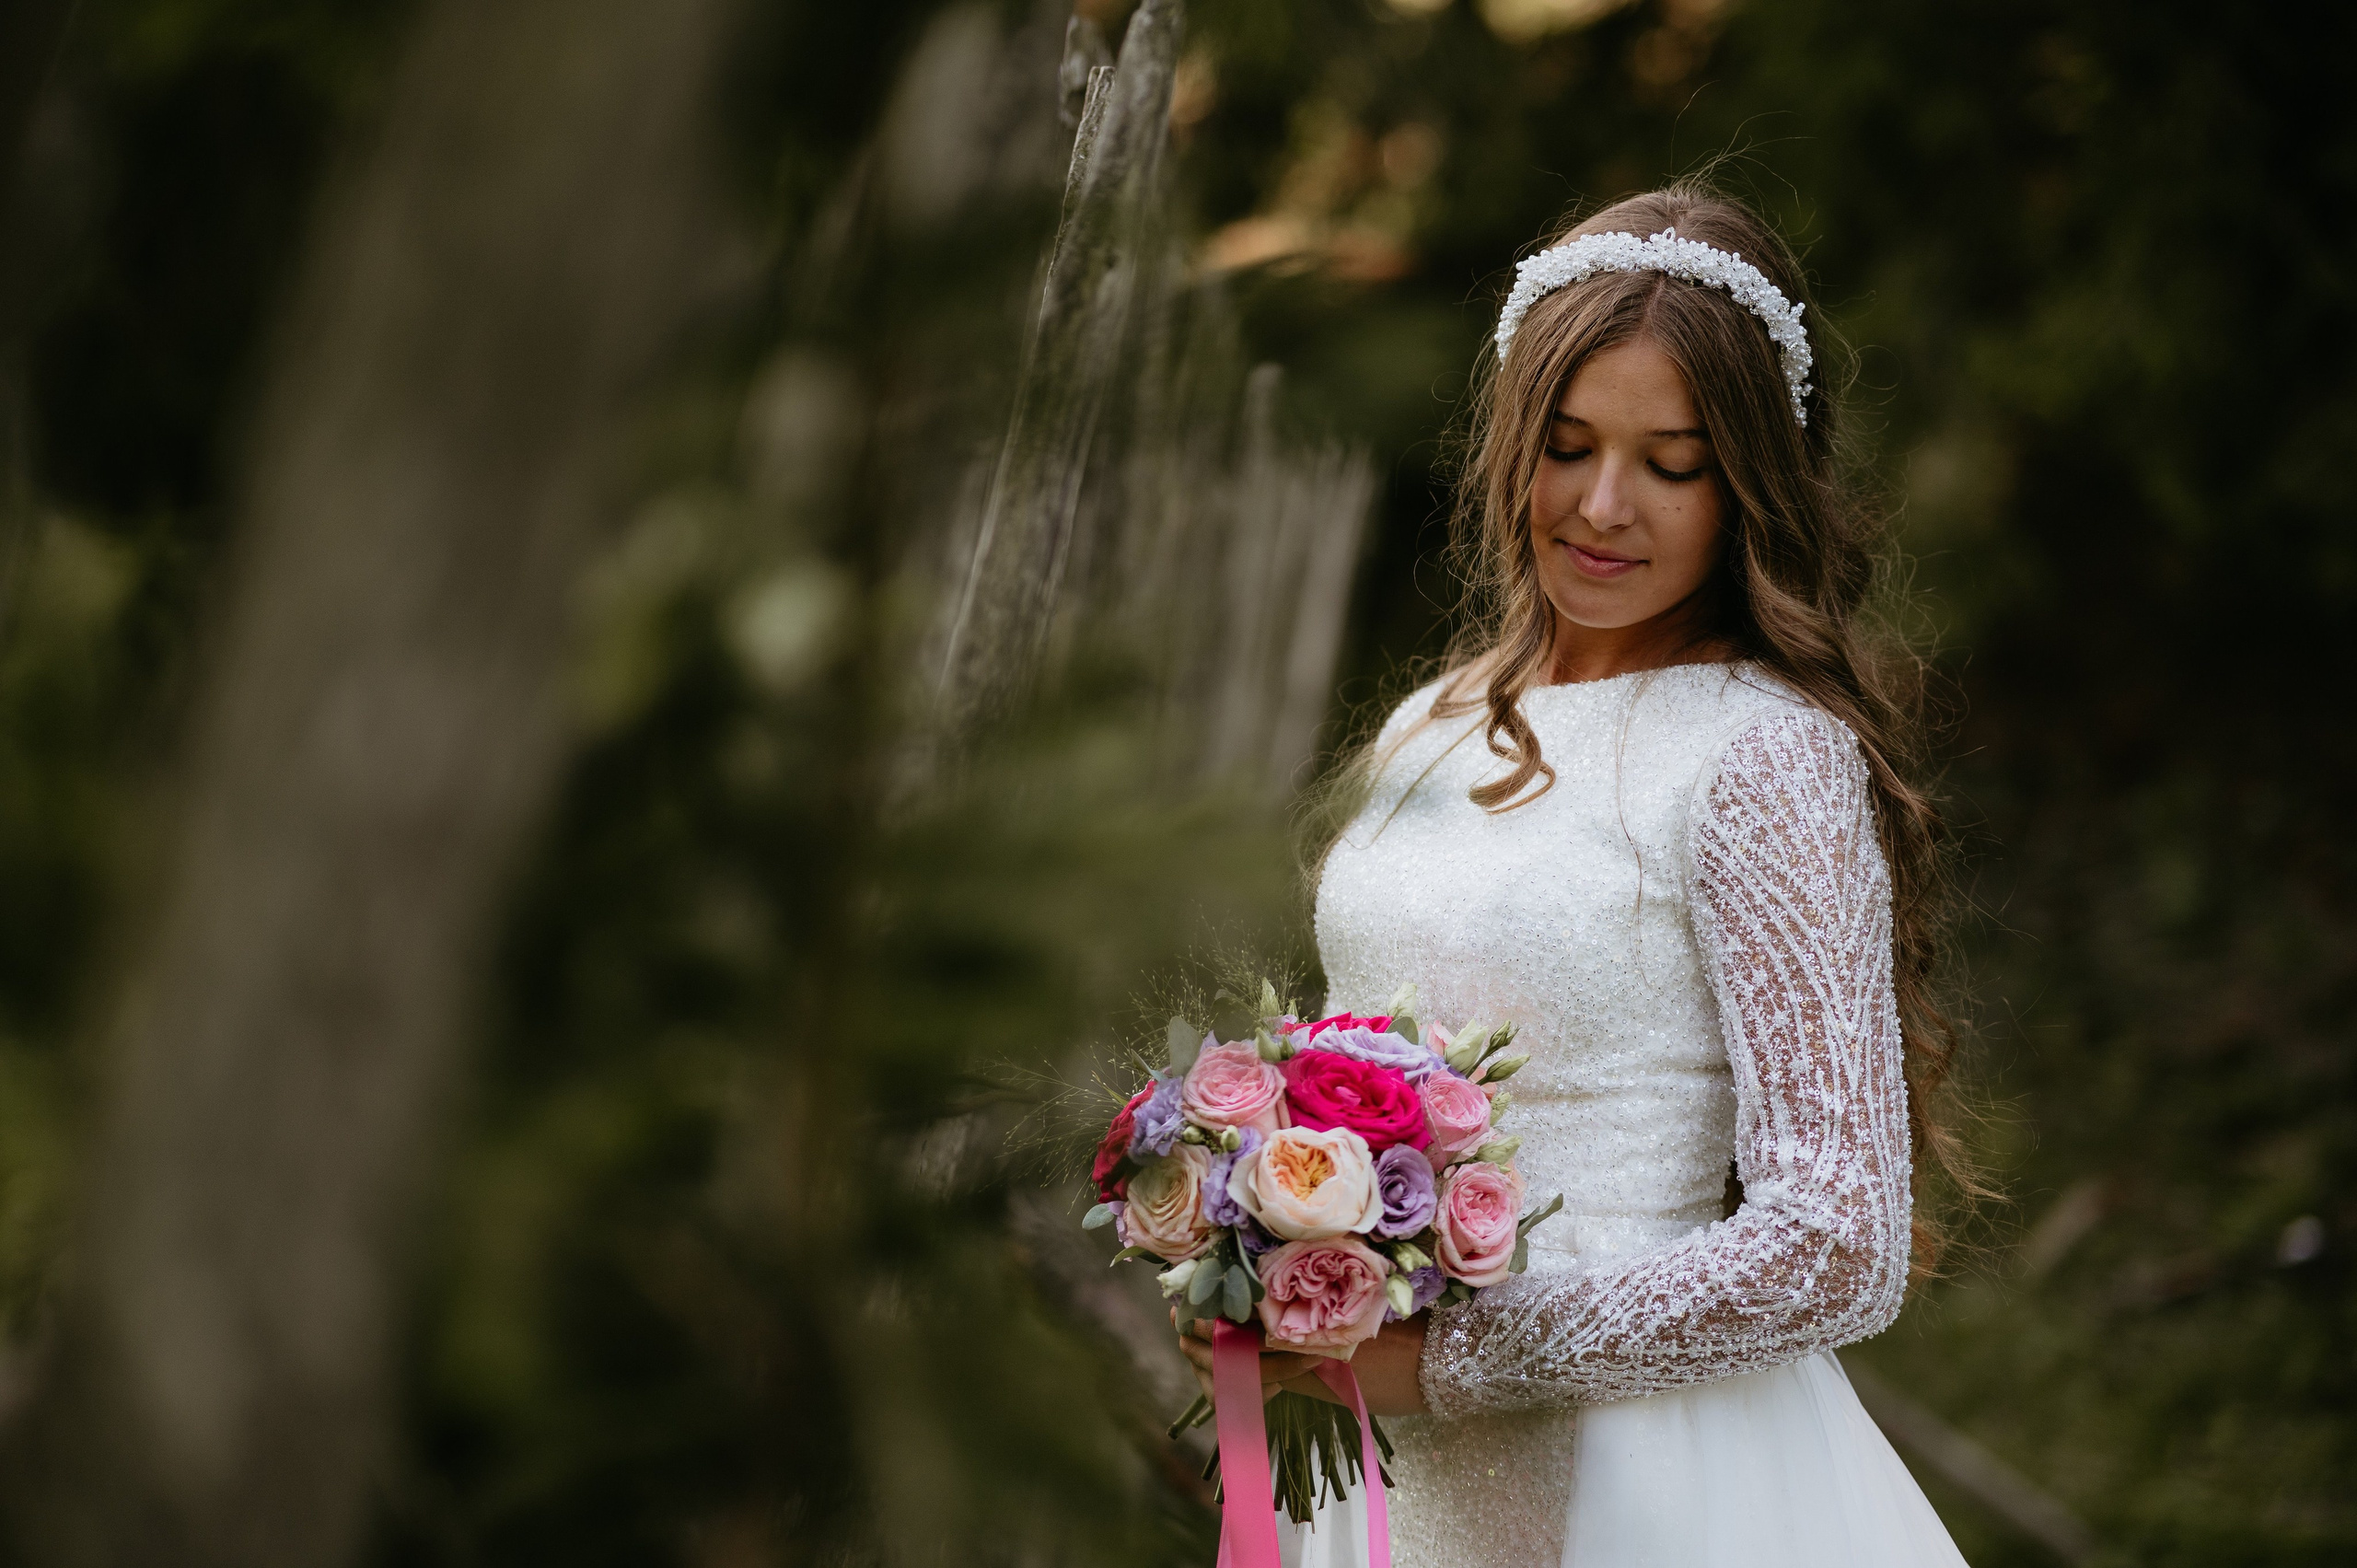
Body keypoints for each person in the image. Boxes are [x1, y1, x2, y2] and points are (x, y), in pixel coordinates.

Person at [1177, 184, 1977, 1567]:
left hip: (1649, 1477)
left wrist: (1455, 1364)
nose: (1604, 507)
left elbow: (1837, 1237)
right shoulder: (1432, 723)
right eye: (1566, 447)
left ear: (1749, 484)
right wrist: (1259, 1249)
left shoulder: (1762, 756)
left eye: (1672, 463)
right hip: (1385, 1479)